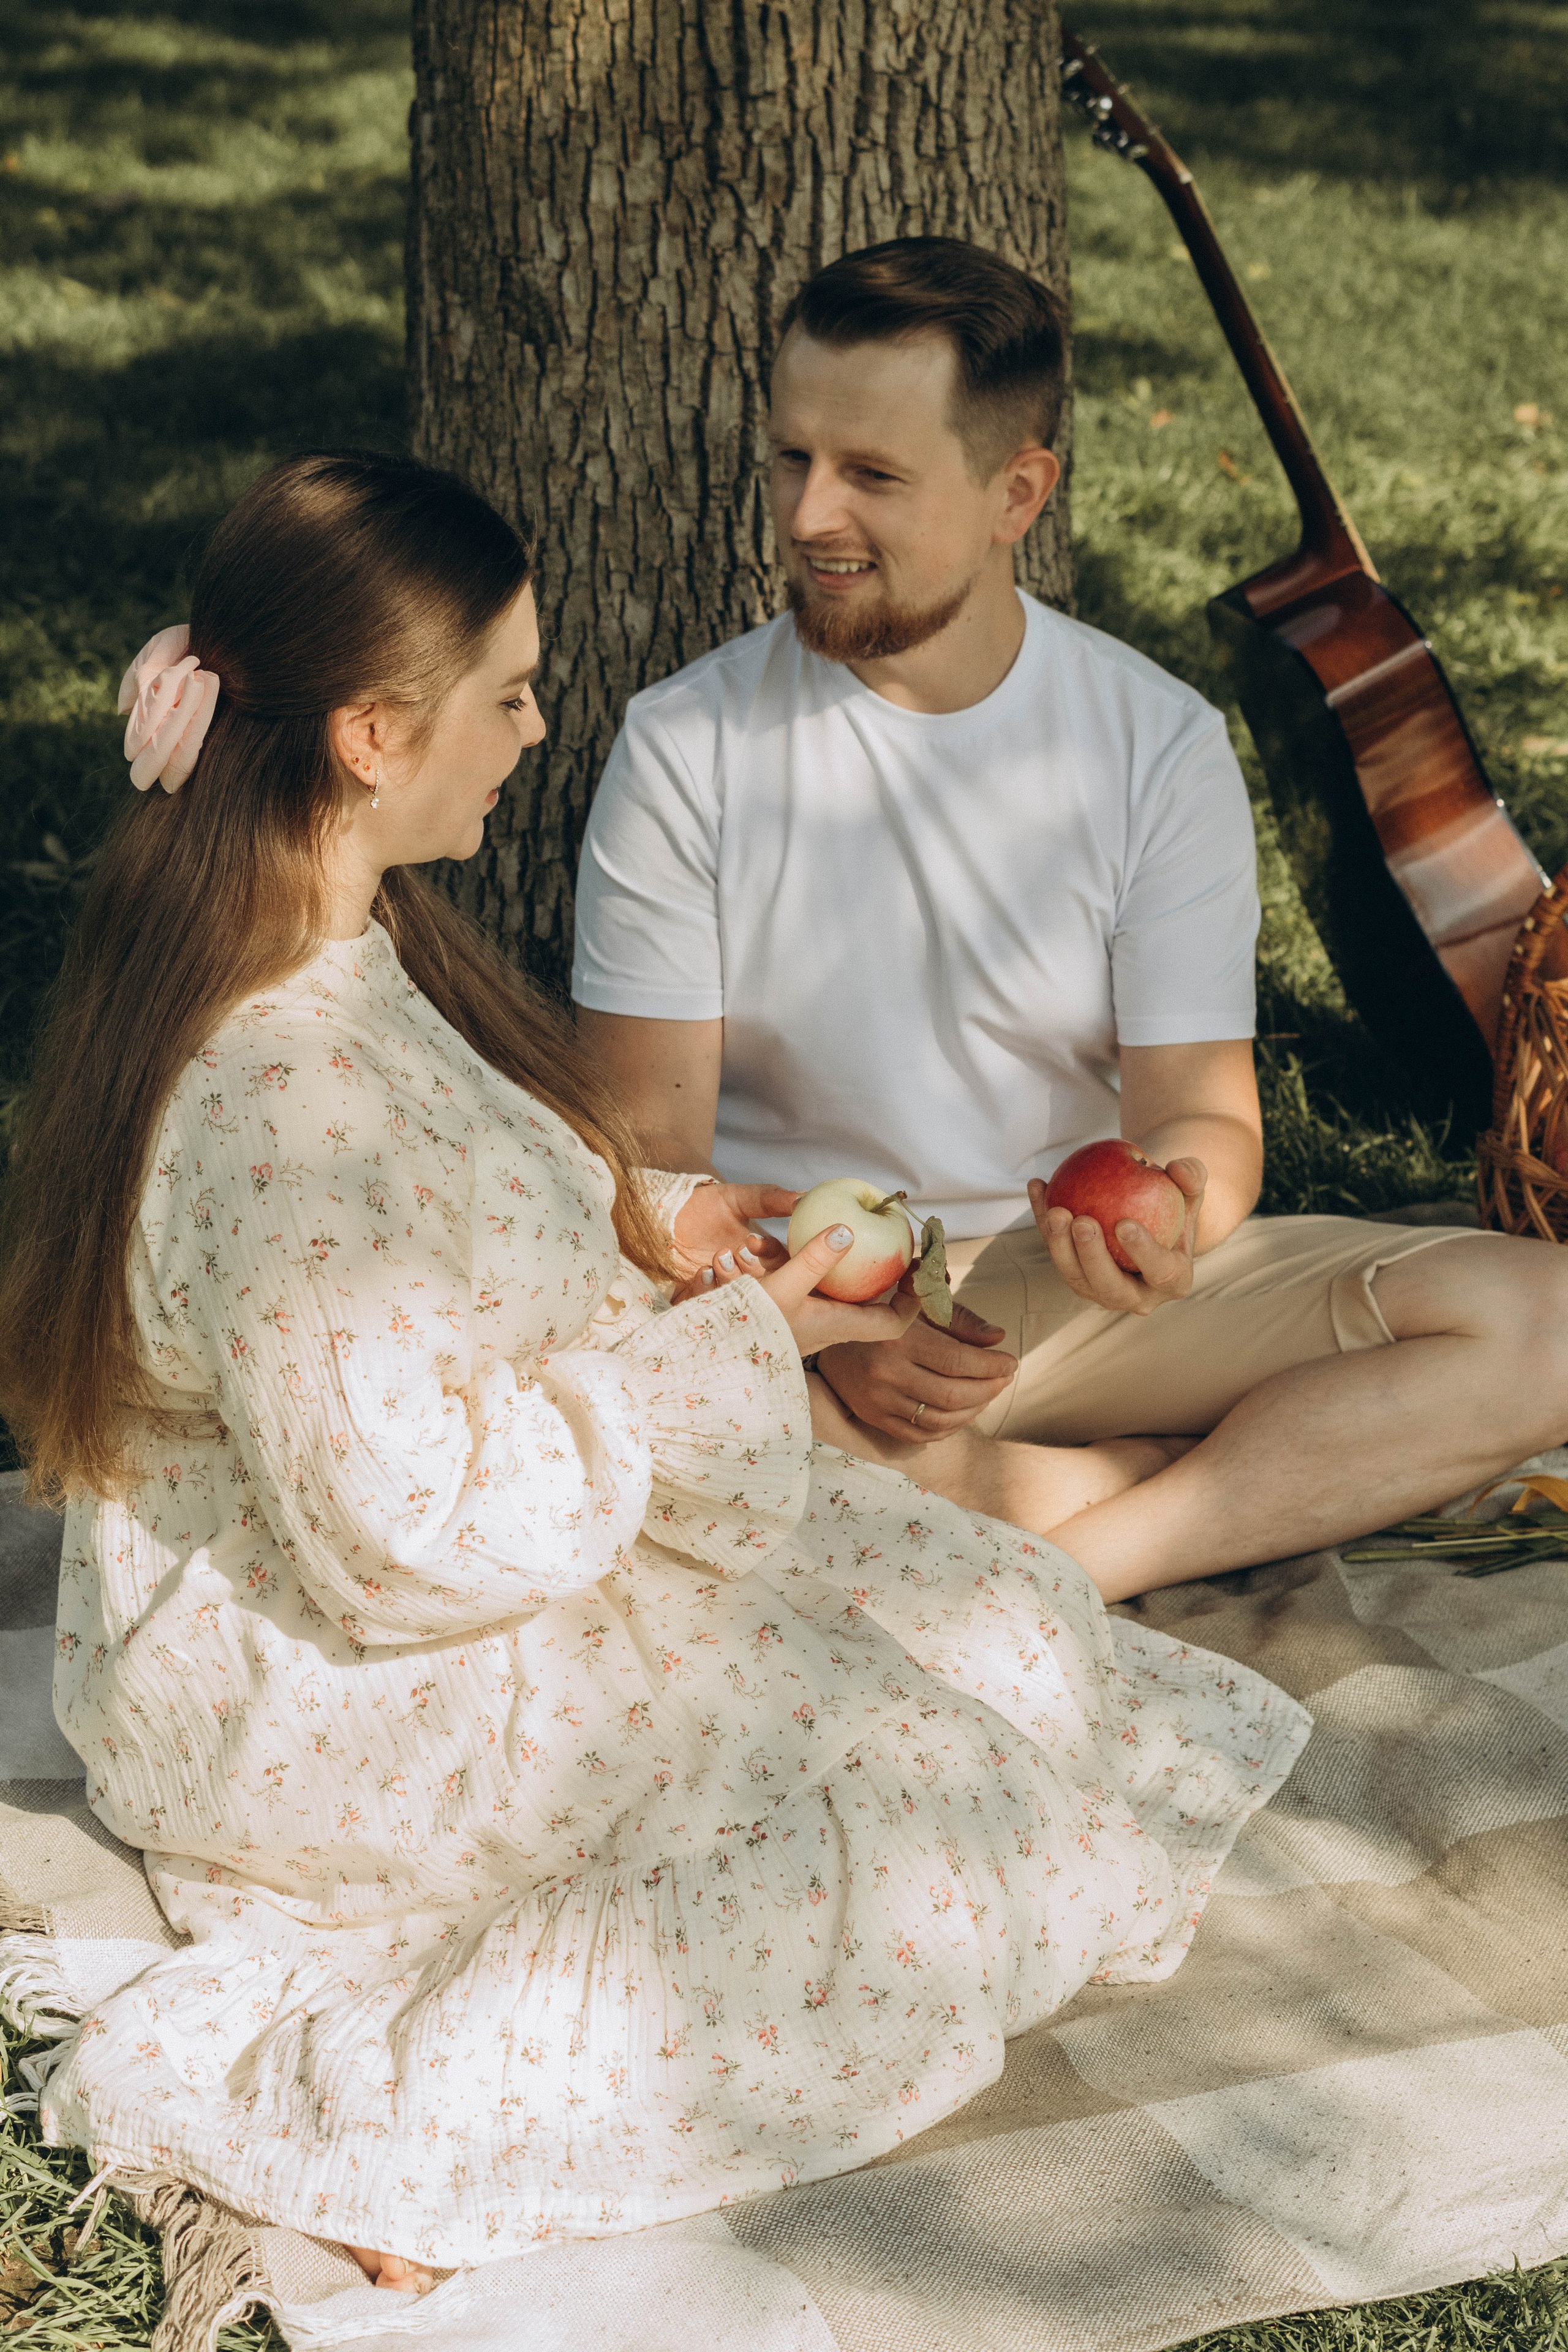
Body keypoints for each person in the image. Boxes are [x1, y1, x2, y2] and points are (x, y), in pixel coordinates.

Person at [0, 451, 1308, 2293]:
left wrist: (673, 1223)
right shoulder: (277, 1093)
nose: (539, 727)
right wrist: (738, 1355)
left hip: (483, 1550)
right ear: (371, 737)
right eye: (511, 692)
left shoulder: (341, 936)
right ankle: (395, 2123)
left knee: (1001, 1626)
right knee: (923, 1837)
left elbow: (475, 1187)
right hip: (336, 1678)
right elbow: (402, 1538)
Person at [571, 235, 1568, 1600]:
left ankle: (1080, 1555)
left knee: (1547, 1325)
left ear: (1015, 493)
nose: (806, 516)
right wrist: (825, 1336)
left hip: (1056, 1286)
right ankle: (1134, 1479)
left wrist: (1172, 1216)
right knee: (640, 1418)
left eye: (869, 474)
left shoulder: (1150, 743)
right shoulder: (686, 743)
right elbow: (649, 1165)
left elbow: (1197, 1117)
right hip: (788, 1300)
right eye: (789, 458)